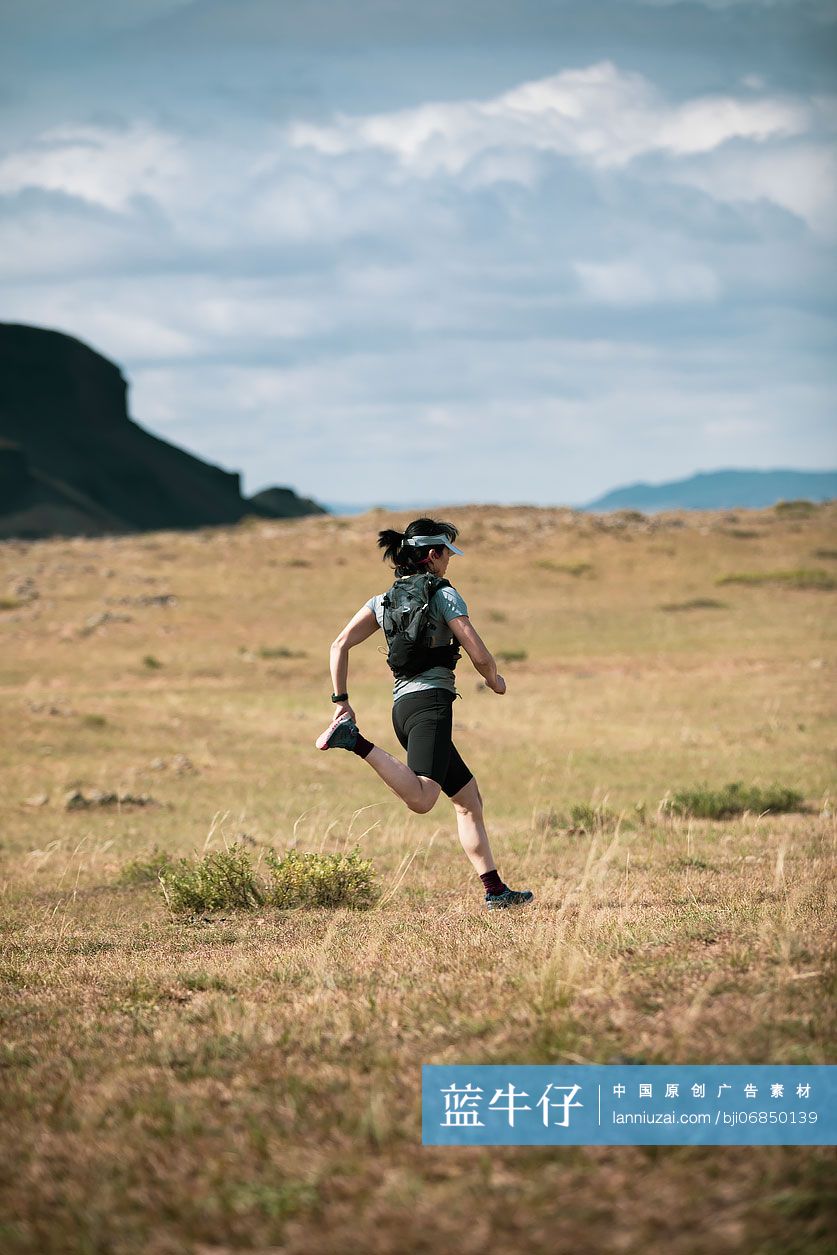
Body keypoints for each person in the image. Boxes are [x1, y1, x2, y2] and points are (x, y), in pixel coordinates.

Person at [314, 517, 534, 909]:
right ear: (432, 555)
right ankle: (354, 741)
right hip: (432, 707)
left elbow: (338, 645)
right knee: (422, 799)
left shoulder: (381, 601)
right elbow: (477, 652)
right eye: (447, 553)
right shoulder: (443, 595)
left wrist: (340, 699)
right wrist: (495, 680)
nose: (450, 560)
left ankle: (495, 891)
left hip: (403, 708)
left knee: (468, 799)